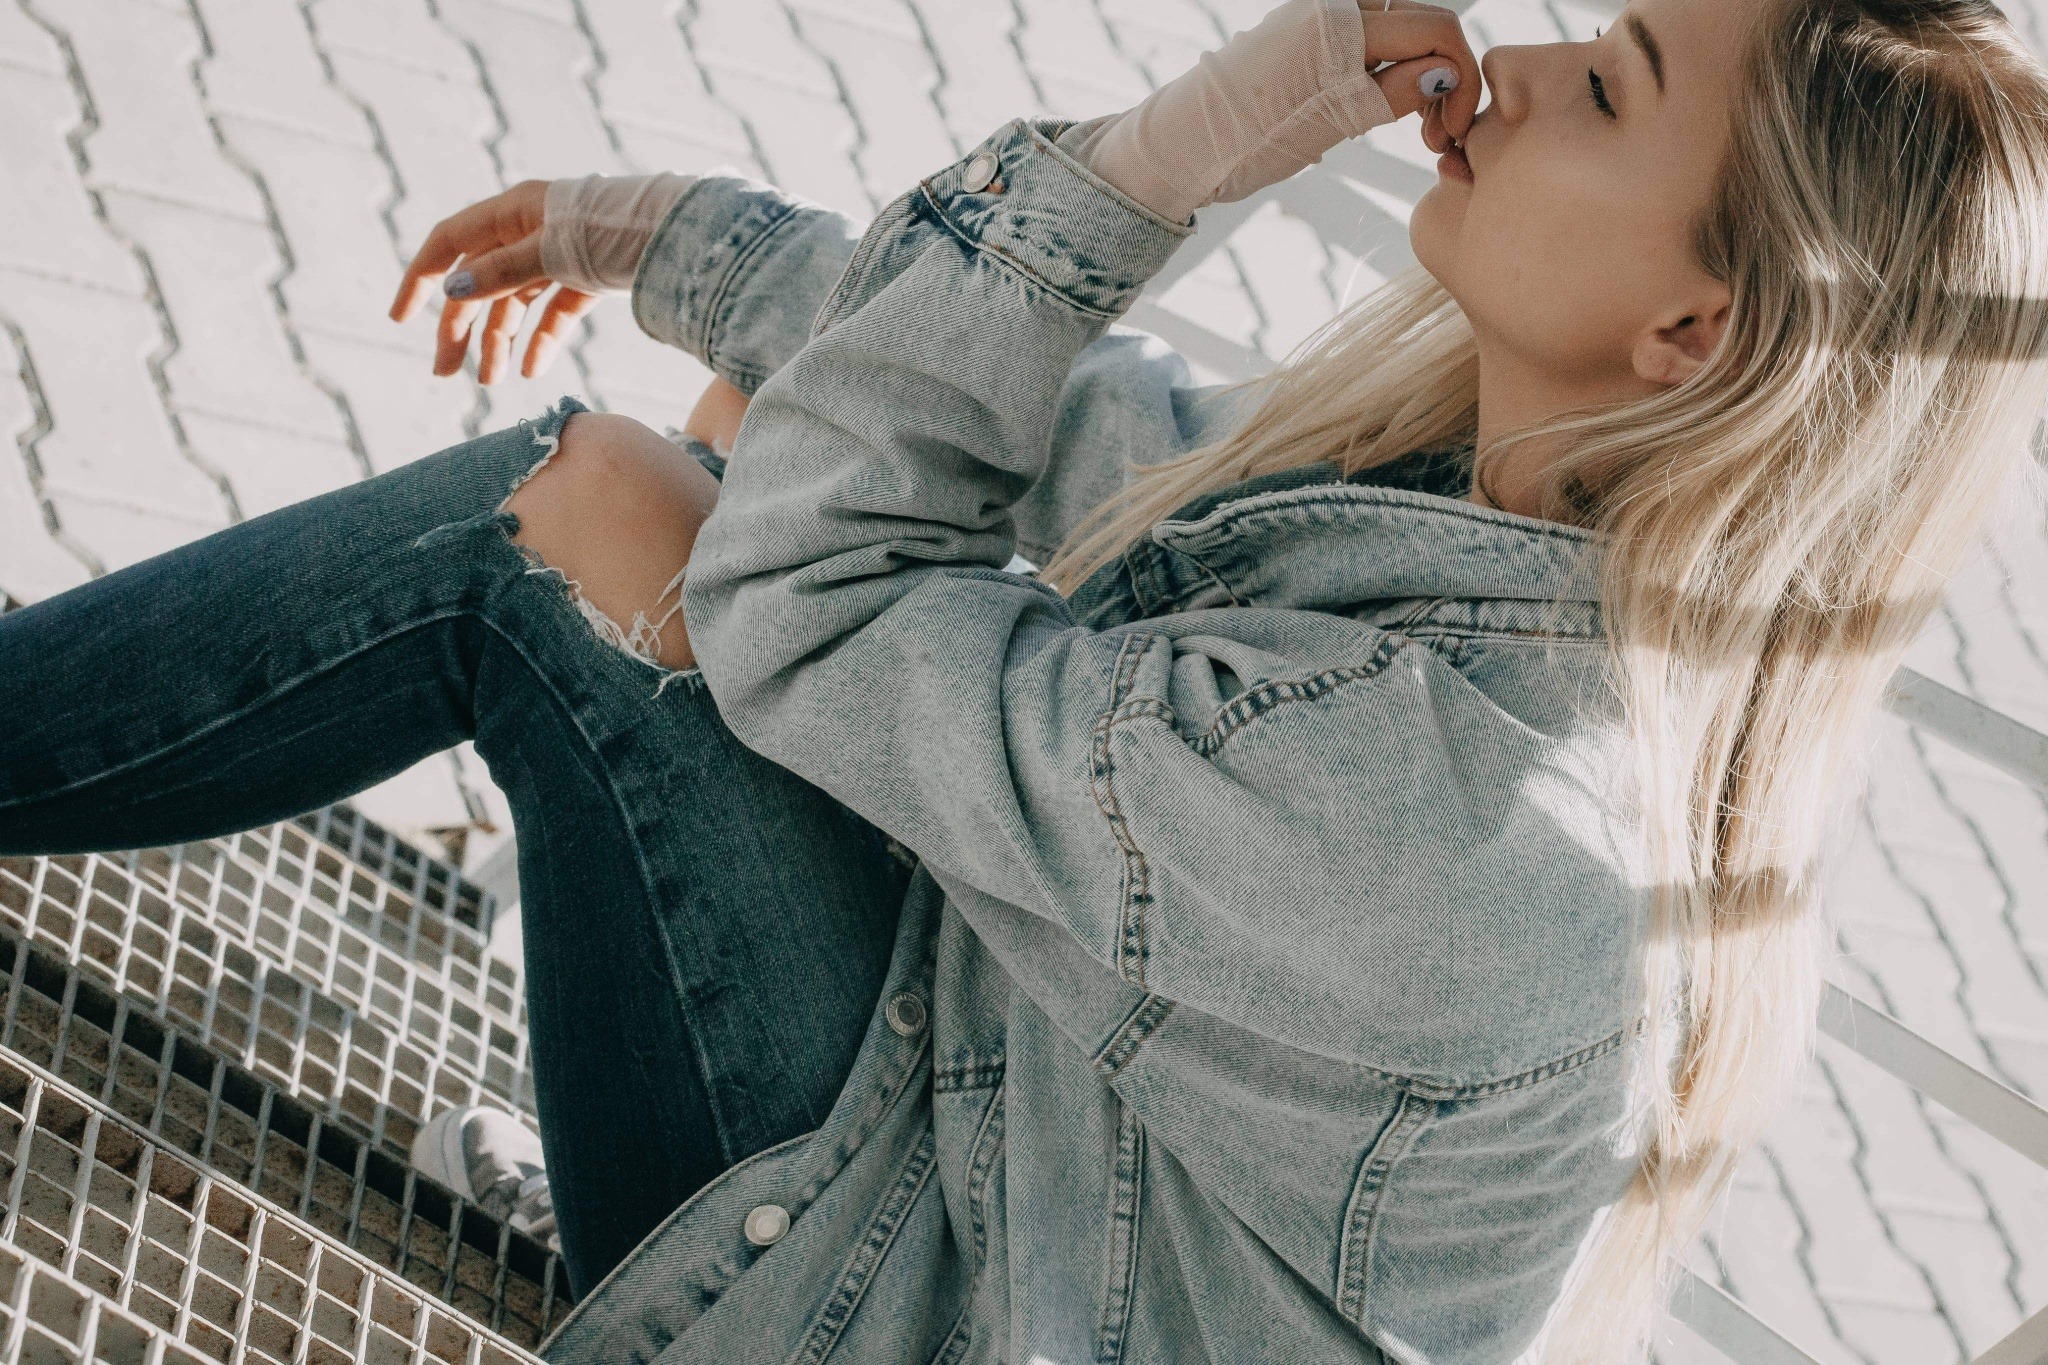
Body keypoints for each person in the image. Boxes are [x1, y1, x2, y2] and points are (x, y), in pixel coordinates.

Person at [3, 0, 2044, 1358]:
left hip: (927, 1308)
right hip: (993, 1169)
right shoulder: (1487, 525)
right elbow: (1069, 424)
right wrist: (670, 237)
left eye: (1607, 87)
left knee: (572, 529)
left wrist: (1181, 150)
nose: (1514, 66)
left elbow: (811, 601)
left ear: (1692, 333)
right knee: (747, 435)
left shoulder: (1477, 818)